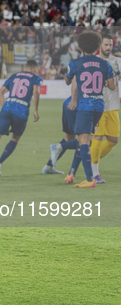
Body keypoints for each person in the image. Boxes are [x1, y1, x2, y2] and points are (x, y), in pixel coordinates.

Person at [60, 31, 115, 188]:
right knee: (86, 139)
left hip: (85, 105)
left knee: (83, 141)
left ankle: (90, 179)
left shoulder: (75, 63)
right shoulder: (105, 64)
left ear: (79, 46)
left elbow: (68, 81)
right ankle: (71, 173)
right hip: (99, 105)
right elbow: (111, 86)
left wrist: (67, 76)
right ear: (98, 46)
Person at [0, 59, 42, 180]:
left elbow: (0, 93)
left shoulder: (14, 76)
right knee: (15, 139)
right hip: (21, 111)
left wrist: (5, 107)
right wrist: (36, 110)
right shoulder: (36, 78)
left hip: (7, 108)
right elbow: (36, 92)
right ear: (35, 68)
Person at [89, 35, 121, 183]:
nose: (108, 48)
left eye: (110, 45)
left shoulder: (117, 61)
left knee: (113, 139)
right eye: (106, 45)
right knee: (97, 137)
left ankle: (91, 157)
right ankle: (94, 173)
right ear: (99, 46)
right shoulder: (93, 62)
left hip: (113, 106)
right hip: (98, 105)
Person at [43, 80, 78, 175]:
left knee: (69, 138)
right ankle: (92, 174)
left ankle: (49, 166)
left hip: (69, 103)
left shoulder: (78, 66)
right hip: (78, 105)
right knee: (86, 140)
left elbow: (68, 80)